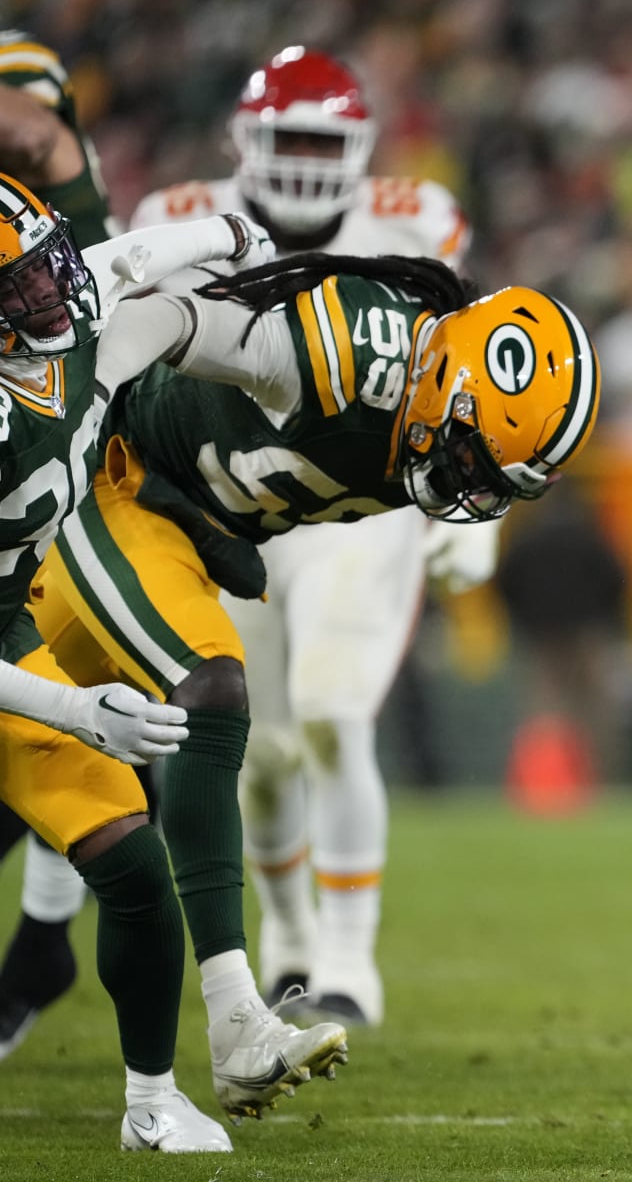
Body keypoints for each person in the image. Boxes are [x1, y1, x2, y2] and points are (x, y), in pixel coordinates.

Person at [12, 248, 597, 1109]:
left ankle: (34, 967)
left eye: (493, 481)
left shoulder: (438, 413)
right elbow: (161, 319)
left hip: (174, 521)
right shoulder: (351, 352)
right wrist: (81, 413)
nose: (467, 483)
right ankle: (235, 1018)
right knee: (211, 690)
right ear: (446, 378)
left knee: (33, 759)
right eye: (472, 456)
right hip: (108, 478)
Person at [121, 44, 490, 1026]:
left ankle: (349, 962)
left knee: (333, 713)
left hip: (359, 510)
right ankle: (288, 939)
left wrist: (473, 513)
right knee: (267, 746)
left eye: (318, 139)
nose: (300, 158)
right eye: (284, 136)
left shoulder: (414, 222)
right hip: (228, 507)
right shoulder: (176, 221)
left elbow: (462, 376)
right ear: (243, 136)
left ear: (362, 145)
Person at [0, 167, 317, 1150]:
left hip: (9, 629)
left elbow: (123, 259)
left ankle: (150, 1103)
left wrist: (226, 233)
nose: (52, 294)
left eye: (44, 269)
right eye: (23, 290)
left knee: (130, 857)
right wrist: (77, 714)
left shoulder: (60, 307)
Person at [0, 27, 122, 1059]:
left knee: (92, 730)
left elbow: (32, 128)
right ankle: (45, 935)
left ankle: (46, 931)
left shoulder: (53, 235)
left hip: (90, 503)